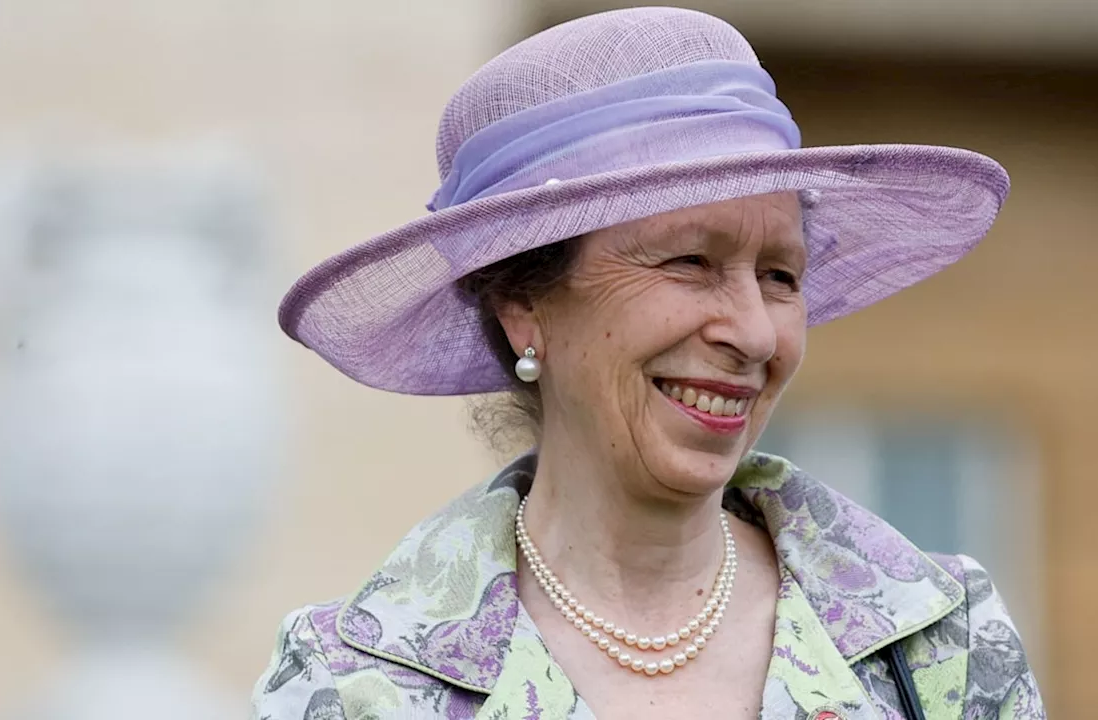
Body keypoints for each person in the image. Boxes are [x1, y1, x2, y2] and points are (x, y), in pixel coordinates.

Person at [252, 7, 1043, 719]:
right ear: (523, 305)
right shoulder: (360, 682)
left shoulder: (938, 642)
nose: (755, 335)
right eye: (689, 262)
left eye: (780, 276)